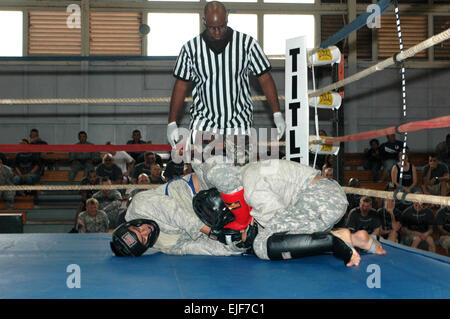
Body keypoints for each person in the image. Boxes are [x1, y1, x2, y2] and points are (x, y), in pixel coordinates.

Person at [110, 158, 386, 266]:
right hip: (305, 206)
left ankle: (338, 239)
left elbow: (175, 212)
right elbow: (195, 248)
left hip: (319, 198)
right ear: (145, 247)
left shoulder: (138, 207)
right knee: (259, 242)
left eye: (139, 228)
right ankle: (351, 237)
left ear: (130, 223)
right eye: (144, 239)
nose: (145, 231)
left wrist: (219, 232)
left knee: (264, 241)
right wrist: (233, 246)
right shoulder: (166, 244)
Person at [167, 1, 285, 164]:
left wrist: (277, 113)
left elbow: (265, 78)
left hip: (239, 119)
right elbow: (181, 84)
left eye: (221, 27)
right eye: (212, 28)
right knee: (205, 172)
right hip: (204, 120)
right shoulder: (190, 48)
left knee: (239, 171)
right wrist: (172, 122)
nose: (217, 32)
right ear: (204, 22)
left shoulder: (247, 44)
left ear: (227, 20)